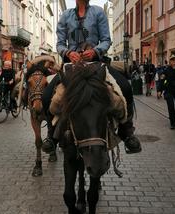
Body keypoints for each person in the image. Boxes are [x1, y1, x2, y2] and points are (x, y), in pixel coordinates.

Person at [41, 0, 141, 154]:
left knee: (125, 86)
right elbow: (60, 43)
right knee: (47, 95)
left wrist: (95, 51)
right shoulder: (65, 15)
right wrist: (68, 53)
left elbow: (106, 39)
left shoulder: (98, 12)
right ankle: (51, 136)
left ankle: (126, 131)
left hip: (96, 64)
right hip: (71, 67)